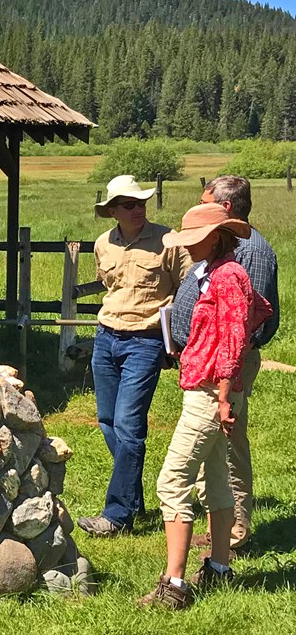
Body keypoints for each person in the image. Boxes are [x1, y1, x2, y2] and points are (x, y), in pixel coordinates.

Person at [138, 203, 271, 610]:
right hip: (210, 387)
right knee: (216, 478)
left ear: (215, 237)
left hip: (212, 391)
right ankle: (218, 566)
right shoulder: (220, 271)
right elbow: (259, 308)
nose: (188, 247)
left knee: (172, 481)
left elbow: (234, 338)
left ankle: (173, 585)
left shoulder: (228, 276)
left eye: (194, 239)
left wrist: (227, 393)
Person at [79, 175, 193, 538]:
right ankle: (132, 496)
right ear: (112, 210)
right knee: (107, 420)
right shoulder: (103, 243)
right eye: (129, 204)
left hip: (145, 342)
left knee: (129, 426)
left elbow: (189, 286)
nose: (139, 209)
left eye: (142, 202)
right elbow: (108, 284)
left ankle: (117, 515)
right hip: (106, 336)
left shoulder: (168, 241)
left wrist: (174, 338)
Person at [170, 176, 280, 552]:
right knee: (213, 455)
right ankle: (220, 533)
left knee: (226, 448)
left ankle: (234, 532)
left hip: (224, 370)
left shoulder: (249, 256)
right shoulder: (220, 259)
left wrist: (223, 380)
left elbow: (246, 323)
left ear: (223, 215)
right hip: (209, 366)